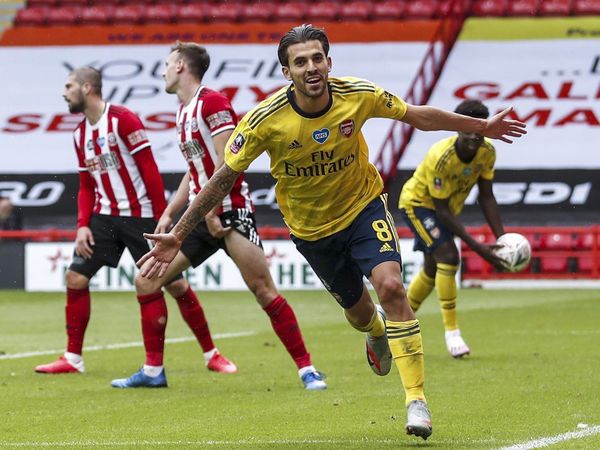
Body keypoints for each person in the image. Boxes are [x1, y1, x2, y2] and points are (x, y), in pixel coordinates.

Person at [137, 25, 526, 440]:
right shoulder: (264, 121)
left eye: (317, 58)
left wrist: (479, 127)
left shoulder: (356, 93)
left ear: (329, 61)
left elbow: (418, 115)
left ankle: (416, 399)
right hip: (312, 231)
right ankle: (376, 331)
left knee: (392, 287)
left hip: (363, 208)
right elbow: (222, 177)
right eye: (300, 62)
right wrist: (179, 233)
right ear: (286, 72)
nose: (311, 68)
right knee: (360, 315)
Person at [124, 42, 326, 391]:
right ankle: (154, 371)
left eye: (168, 64)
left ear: (182, 67)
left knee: (263, 290)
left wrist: (215, 212)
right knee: (146, 280)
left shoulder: (213, 102)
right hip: (200, 217)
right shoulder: (183, 111)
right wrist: (171, 212)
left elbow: (226, 162)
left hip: (230, 212)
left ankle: (307, 370)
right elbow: (195, 171)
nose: (163, 71)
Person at [35, 67, 237, 383]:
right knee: (75, 277)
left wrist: (162, 221)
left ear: (87, 88)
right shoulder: (79, 134)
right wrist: (82, 225)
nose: (64, 93)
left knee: (176, 285)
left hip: (141, 217)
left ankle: (212, 354)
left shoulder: (123, 119)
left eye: (69, 86)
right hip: (103, 219)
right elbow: (86, 185)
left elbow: (149, 170)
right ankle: (73, 357)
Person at [399, 100, 509, 358]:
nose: (473, 135)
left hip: (445, 210)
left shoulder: (487, 152)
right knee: (449, 256)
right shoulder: (441, 157)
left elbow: (487, 197)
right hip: (418, 205)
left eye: (478, 129)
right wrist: (478, 247)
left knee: (431, 268)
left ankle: (398, 322)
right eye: (467, 128)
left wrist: (502, 238)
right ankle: (452, 333)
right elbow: (442, 210)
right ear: (457, 128)